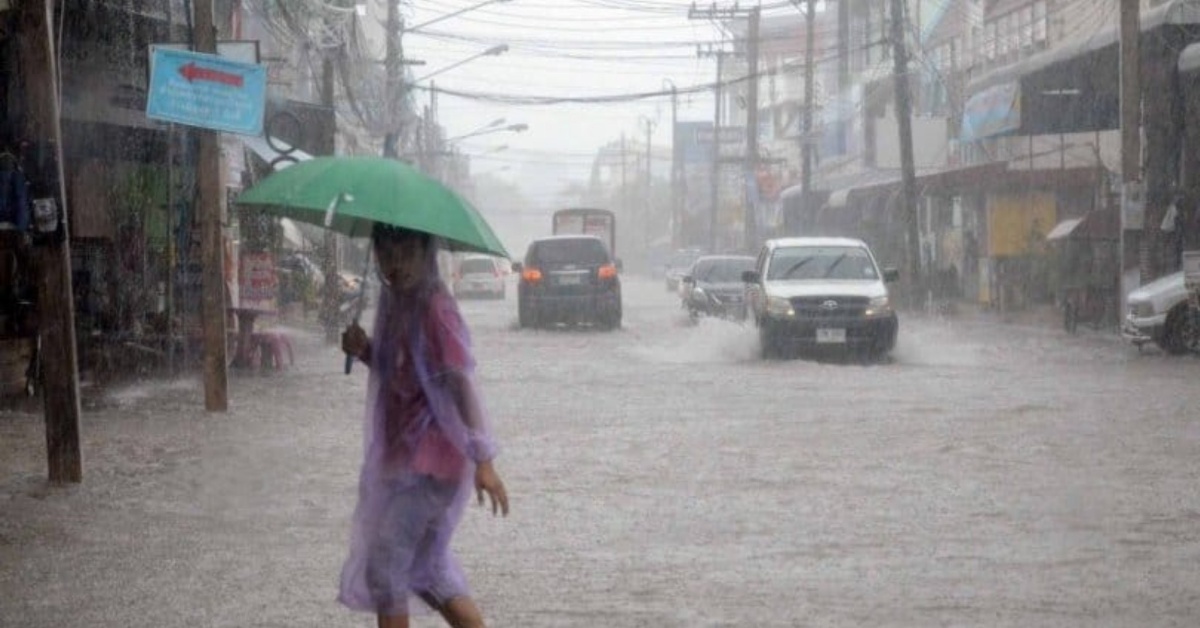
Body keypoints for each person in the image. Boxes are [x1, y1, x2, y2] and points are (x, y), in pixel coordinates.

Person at [339, 223, 509, 628]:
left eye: (405, 253)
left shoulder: (437, 309)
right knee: (427, 571)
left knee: (386, 565)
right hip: (405, 455)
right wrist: (365, 351)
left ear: (424, 254)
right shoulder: (397, 303)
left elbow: (460, 383)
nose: (394, 264)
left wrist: (483, 458)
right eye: (385, 253)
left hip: (433, 461)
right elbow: (404, 375)